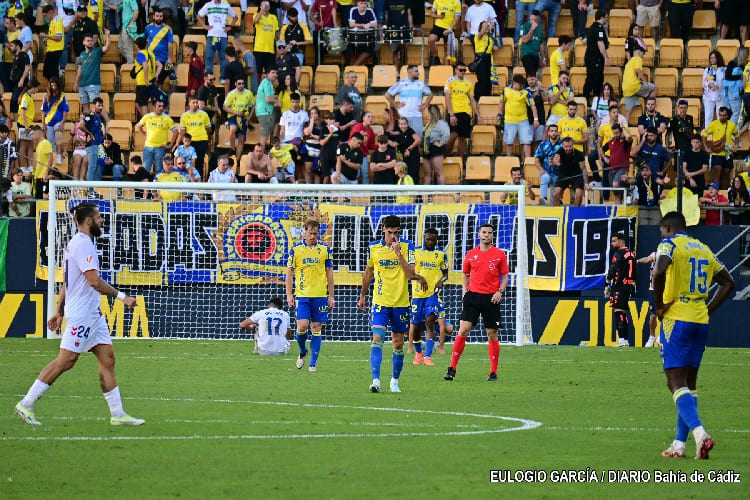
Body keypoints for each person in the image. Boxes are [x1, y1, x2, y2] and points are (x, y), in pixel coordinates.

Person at [14, 202, 145, 427]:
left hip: (93, 314)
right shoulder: (83, 244)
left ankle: (118, 414)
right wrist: (122, 297)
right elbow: (93, 281)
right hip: (83, 314)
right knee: (66, 361)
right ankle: (26, 403)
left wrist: (59, 311)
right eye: (99, 217)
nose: (102, 220)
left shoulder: (79, 243)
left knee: (107, 358)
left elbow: (69, 282)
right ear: (88, 220)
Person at [652, 211, 735, 459]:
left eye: (662, 231)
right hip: (700, 319)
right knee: (689, 384)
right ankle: (679, 444)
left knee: (674, 382)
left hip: (677, 318)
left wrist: (659, 306)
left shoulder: (669, 244)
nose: (661, 235)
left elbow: (659, 271)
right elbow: (728, 282)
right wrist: (707, 308)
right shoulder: (703, 248)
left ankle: (700, 435)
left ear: (668, 228)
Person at [359, 215, 427, 393]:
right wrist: (362, 295)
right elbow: (369, 272)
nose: (393, 236)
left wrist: (398, 254)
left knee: (397, 344)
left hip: (401, 303)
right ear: (383, 229)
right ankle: (375, 380)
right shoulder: (373, 247)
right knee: (377, 338)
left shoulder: (407, 246)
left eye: (396, 233)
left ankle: (394, 381)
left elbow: (411, 274)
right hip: (380, 301)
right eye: (390, 232)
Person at [444, 223, 507, 382]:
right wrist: (464, 291)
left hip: (491, 298)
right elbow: (465, 274)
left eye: (489, 233)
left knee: (492, 334)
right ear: (479, 234)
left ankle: (493, 372)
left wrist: (500, 291)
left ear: (492, 236)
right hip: (472, 297)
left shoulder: (499, 254)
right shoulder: (471, 254)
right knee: (463, 330)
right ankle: (452, 369)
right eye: (484, 232)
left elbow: (505, 276)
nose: (486, 235)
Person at [285, 219, 334, 371]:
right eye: (310, 233)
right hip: (303, 296)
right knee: (302, 327)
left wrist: (331, 295)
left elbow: (329, 272)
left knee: (316, 327)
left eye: (315, 233)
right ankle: (302, 351)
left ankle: (313, 362)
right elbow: (289, 272)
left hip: (320, 296)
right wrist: (289, 294)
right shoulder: (296, 250)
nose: (312, 236)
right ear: (305, 231)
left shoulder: (325, 250)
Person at [410, 227, 447, 366]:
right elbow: (409, 272)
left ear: (437, 240)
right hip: (417, 295)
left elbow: (446, 274)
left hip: (432, 294)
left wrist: (441, 281)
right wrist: (419, 278)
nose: (430, 242)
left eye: (433, 240)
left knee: (430, 322)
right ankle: (419, 352)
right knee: (416, 326)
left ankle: (428, 356)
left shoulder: (441, 254)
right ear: (424, 238)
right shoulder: (415, 252)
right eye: (428, 239)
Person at [499, 74, 538, 164]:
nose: (521, 86)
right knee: (509, 142)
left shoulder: (526, 92)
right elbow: (501, 102)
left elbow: (533, 106)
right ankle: (508, 161)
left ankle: (527, 162)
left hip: (523, 120)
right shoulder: (505, 90)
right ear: (514, 83)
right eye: (520, 85)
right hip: (509, 121)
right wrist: (499, 114)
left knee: (526, 142)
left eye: (522, 85)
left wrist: (536, 119)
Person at [605, 232, 636, 347]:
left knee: (618, 312)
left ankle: (623, 340)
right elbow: (634, 271)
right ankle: (625, 339)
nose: (612, 243)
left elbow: (613, 270)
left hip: (619, 286)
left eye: (614, 241)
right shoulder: (631, 254)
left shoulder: (618, 254)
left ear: (621, 241)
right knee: (622, 312)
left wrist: (607, 281)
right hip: (628, 286)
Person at [385, 64, 432, 137]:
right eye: (416, 71)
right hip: (404, 116)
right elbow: (387, 95)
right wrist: (396, 105)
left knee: (418, 138)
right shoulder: (401, 83)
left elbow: (431, 95)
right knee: (404, 139)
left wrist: (425, 106)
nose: (418, 73)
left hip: (417, 116)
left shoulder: (421, 84)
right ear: (410, 72)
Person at [136, 99, 178, 175]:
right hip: (148, 147)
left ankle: (157, 183)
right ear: (154, 107)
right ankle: (146, 183)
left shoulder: (167, 118)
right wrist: (144, 134)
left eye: (162, 106)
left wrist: (170, 145)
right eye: (159, 106)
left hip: (160, 148)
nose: (161, 108)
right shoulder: (147, 116)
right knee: (146, 169)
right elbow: (138, 126)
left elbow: (176, 132)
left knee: (159, 170)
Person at [443, 64, 477, 158]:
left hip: (466, 113)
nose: (462, 72)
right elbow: (447, 98)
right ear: (456, 70)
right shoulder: (449, 81)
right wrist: (451, 114)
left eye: (464, 70)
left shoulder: (468, 83)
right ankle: (445, 155)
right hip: (454, 112)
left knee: (463, 138)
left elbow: (472, 100)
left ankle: (460, 159)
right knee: (453, 135)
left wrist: (477, 114)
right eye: (460, 70)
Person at [701, 106, 738, 190]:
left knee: (726, 174)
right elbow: (704, 136)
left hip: (728, 154)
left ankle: (725, 194)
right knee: (717, 174)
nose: (722, 117)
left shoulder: (732, 125)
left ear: (727, 116)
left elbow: (737, 135)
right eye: (720, 115)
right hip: (717, 153)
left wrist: (736, 145)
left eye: (724, 115)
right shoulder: (713, 124)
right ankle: (716, 194)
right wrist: (706, 147)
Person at [197, 0, 236, 78]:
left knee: (224, 57)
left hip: (223, 36)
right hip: (212, 35)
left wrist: (230, 27)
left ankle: (223, 76)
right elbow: (198, 15)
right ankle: (209, 75)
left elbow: (235, 17)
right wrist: (204, 26)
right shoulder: (208, 5)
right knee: (209, 56)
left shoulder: (226, 5)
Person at [76, 30, 111, 115]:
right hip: (82, 85)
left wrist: (108, 36)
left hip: (93, 84)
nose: (90, 42)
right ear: (83, 42)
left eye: (91, 41)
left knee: (97, 106)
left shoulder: (97, 51)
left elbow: (107, 47)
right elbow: (79, 69)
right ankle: (88, 122)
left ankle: (108, 121)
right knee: (85, 108)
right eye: (88, 40)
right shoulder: (81, 54)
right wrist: (76, 83)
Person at [632, 126, 671, 195]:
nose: (649, 137)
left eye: (651, 135)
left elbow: (669, 161)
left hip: (655, 177)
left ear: (656, 136)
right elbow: (633, 153)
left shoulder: (661, 149)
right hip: (641, 176)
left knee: (654, 199)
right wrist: (642, 140)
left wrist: (663, 172)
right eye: (648, 135)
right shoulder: (642, 146)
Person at [178, 97, 211, 178]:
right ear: (189, 104)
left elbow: (209, 129)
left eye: (197, 102)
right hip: (189, 142)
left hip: (201, 141)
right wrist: (177, 143)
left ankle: (199, 181)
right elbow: (182, 132)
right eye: (193, 102)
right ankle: (186, 179)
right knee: (187, 162)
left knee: (199, 162)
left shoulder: (204, 114)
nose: (196, 104)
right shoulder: (184, 116)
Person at [622, 47, 657, 123]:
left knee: (628, 112)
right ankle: (649, 110)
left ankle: (623, 128)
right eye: (643, 53)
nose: (643, 56)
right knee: (654, 88)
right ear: (639, 52)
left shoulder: (629, 62)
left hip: (626, 89)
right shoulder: (638, 59)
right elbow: (638, 70)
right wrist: (645, 82)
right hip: (634, 86)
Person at [223, 77, 254, 158]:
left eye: (243, 83)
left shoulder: (249, 93)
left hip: (244, 117)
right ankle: (232, 149)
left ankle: (237, 159)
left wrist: (249, 118)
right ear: (235, 84)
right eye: (239, 83)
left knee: (241, 139)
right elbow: (225, 107)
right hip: (233, 116)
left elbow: (253, 106)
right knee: (233, 129)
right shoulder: (231, 94)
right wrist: (235, 112)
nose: (241, 85)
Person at [552, 136, 588, 206]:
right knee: (556, 193)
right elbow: (555, 159)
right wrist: (556, 162)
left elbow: (583, 169)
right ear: (563, 146)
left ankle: (575, 210)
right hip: (563, 175)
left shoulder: (579, 154)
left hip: (577, 175)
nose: (568, 149)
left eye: (570, 146)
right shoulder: (560, 151)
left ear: (573, 145)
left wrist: (586, 183)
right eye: (566, 147)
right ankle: (556, 210)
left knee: (578, 194)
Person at [583, 10, 610, 100]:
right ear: (602, 17)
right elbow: (600, 43)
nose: (607, 19)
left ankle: (594, 99)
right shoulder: (598, 28)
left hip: (592, 57)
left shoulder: (593, 27)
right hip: (595, 58)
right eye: (606, 17)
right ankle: (588, 98)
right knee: (594, 79)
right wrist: (606, 57)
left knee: (595, 79)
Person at [80, 97, 108, 181]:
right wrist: (90, 134)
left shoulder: (99, 117)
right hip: (93, 145)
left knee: (100, 167)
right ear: (93, 106)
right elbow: (81, 125)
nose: (101, 107)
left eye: (102, 106)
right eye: (99, 105)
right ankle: (90, 188)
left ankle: (97, 187)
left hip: (100, 145)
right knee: (92, 167)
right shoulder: (90, 115)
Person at [42, 77, 68, 165]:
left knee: (58, 137)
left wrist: (63, 122)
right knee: (50, 142)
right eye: (52, 85)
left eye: (55, 85)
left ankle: (59, 156)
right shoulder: (46, 96)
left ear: (58, 86)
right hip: (49, 122)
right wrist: (43, 123)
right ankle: (53, 158)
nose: (53, 87)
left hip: (58, 121)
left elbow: (65, 110)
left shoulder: (62, 96)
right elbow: (43, 111)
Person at [426, 0, 461, 65]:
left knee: (447, 49)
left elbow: (457, 18)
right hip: (438, 26)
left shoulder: (456, 2)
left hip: (449, 28)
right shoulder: (437, 1)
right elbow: (432, 13)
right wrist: (438, 16)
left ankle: (445, 67)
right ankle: (436, 58)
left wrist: (450, 28)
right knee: (431, 39)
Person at [421, 105, 449, 185]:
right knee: (427, 174)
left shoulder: (441, 123)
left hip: (436, 150)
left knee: (439, 173)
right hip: (427, 149)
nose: (428, 115)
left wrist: (440, 143)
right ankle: (425, 192)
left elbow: (446, 135)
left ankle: (442, 192)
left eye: (429, 113)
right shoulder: (428, 124)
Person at [534, 123, 562, 204]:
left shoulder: (562, 145)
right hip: (546, 171)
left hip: (558, 173)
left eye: (555, 131)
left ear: (558, 133)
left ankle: (554, 205)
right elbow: (536, 159)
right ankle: (544, 199)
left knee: (554, 199)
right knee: (545, 177)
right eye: (552, 131)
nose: (554, 133)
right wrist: (541, 169)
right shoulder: (543, 144)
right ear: (548, 133)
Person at [668, 98, 697, 173]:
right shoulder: (674, 120)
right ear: (678, 108)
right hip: (679, 148)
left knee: (689, 168)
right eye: (681, 108)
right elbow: (667, 133)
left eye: (684, 108)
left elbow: (692, 131)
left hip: (689, 147)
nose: (683, 110)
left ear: (687, 108)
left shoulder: (690, 118)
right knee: (679, 169)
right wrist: (667, 146)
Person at [144, 9, 173, 82]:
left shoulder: (167, 29)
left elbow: (170, 44)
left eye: (160, 16)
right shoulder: (148, 27)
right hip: (151, 59)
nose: (159, 18)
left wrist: (169, 59)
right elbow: (144, 41)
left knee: (160, 81)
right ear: (153, 17)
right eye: (157, 16)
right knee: (151, 81)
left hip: (164, 59)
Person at [348, 111, 376, 183]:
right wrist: (362, 136)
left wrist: (379, 146)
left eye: (372, 117)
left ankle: (366, 190)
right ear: (363, 118)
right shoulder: (357, 126)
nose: (371, 118)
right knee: (356, 175)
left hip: (363, 155)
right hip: (354, 154)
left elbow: (370, 145)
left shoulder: (371, 130)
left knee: (365, 174)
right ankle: (355, 189)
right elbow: (353, 140)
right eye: (369, 116)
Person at [252, 1, 278, 77]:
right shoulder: (256, 15)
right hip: (259, 49)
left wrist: (277, 49)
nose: (265, 6)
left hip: (270, 50)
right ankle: (257, 85)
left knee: (270, 73)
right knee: (258, 72)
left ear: (269, 7)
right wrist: (261, 10)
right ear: (260, 6)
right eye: (263, 5)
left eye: (267, 5)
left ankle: (268, 85)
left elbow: (276, 34)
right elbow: (256, 21)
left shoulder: (274, 17)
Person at [383, 0, 411, 71]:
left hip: (404, 28)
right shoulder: (387, 1)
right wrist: (386, 26)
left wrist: (411, 27)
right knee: (394, 50)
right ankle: (397, 70)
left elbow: (409, 14)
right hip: (392, 29)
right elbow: (386, 14)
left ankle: (403, 69)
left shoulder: (407, 1)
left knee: (403, 49)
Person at [391, 116, 420, 182]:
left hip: (413, 158)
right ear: (399, 125)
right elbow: (394, 144)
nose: (403, 126)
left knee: (413, 176)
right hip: (404, 160)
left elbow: (418, 139)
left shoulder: (410, 130)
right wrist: (384, 139)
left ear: (407, 124)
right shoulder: (400, 134)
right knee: (404, 177)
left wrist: (409, 149)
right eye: (401, 124)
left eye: (404, 124)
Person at [348, 0, 378, 65]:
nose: (363, 5)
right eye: (361, 3)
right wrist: (363, 25)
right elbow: (351, 24)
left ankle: (354, 66)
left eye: (365, 3)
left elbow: (375, 24)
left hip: (368, 35)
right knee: (352, 47)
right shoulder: (353, 10)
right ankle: (357, 67)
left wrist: (369, 24)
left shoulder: (370, 10)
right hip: (356, 35)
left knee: (369, 49)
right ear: (357, 3)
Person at [256, 67, 279, 147]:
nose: (275, 75)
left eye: (276, 73)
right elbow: (268, 99)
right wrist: (277, 101)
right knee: (264, 136)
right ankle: (260, 152)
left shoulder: (268, 83)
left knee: (265, 135)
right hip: (264, 112)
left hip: (266, 111)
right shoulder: (266, 83)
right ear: (268, 74)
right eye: (273, 73)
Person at [134, 36, 157, 118]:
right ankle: (148, 118)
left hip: (143, 83)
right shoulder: (151, 53)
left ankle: (148, 121)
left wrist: (146, 79)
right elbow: (160, 65)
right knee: (137, 102)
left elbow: (145, 65)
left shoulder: (140, 54)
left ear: (136, 45)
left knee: (143, 105)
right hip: (151, 82)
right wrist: (156, 75)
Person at [518, 9, 545, 77]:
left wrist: (543, 58)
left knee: (530, 75)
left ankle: (527, 84)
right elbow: (525, 40)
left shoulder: (540, 29)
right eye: (532, 19)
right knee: (532, 74)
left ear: (539, 19)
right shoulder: (524, 26)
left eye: (535, 20)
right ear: (530, 17)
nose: (533, 22)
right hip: (526, 54)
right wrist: (532, 29)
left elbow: (541, 44)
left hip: (535, 55)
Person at [40, 5, 64, 80]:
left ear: (50, 13)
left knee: (52, 73)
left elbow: (59, 38)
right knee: (46, 72)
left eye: (45, 16)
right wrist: (47, 39)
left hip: (56, 50)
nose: (45, 18)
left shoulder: (57, 21)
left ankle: (56, 85)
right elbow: (53, 35)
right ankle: (52, 85)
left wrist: (46, 36)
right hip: (51, 50)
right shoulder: (52, 21)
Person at [703, 51, 726, 127]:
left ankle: (721, 131)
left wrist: (718, 86)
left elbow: (725, 81)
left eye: (714, 57)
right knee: (708, 116)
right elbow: (704, 83)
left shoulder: (723, 70)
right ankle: (707, 132)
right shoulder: (707, 70)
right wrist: (709, 84)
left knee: (721, 115)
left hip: (720, 95)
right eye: (711, 58)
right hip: (708, 96)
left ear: (718, 58)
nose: (712, 59)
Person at [472, 20, 494, 101]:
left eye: (487, 26)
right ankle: (477, 98)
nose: (487, 27)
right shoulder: (477, 36)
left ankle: (487, 98)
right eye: (485, 26)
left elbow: (493, 48)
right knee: (482, 80)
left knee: (488, 80)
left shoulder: (490, 38)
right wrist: (487, 22)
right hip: (481, 59)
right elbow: (482, 33)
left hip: (488, 60)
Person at [525, 74, 546, 150]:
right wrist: (537, 91)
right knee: (527, 141)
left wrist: (541, 89)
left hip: (540, 118)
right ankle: (526, 157)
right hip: (528, 118)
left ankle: (536, 156)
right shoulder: (525, 90)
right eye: (529, 80)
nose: (531, 82)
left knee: (538, 141)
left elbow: (546, 99)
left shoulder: (541, 90)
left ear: (536, 80)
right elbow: (530, 100)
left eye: (532, 79)